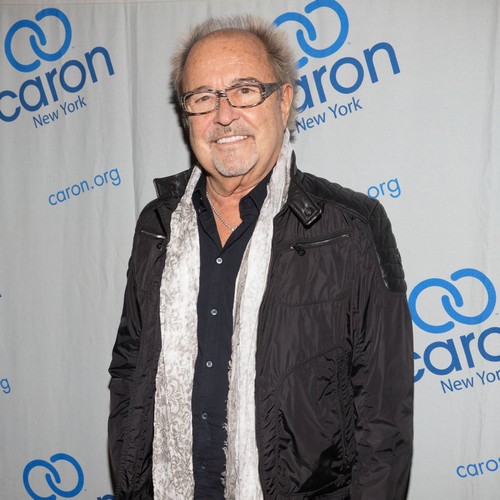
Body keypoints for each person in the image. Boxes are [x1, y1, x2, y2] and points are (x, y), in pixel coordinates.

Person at [108, 15, 413, 500]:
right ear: (186, 115)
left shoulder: (352, 227)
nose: (223, 115)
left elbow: (384, 416)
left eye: (245, 91)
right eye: (202, 97)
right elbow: (129, 366)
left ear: (284, 101)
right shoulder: (157, 225)